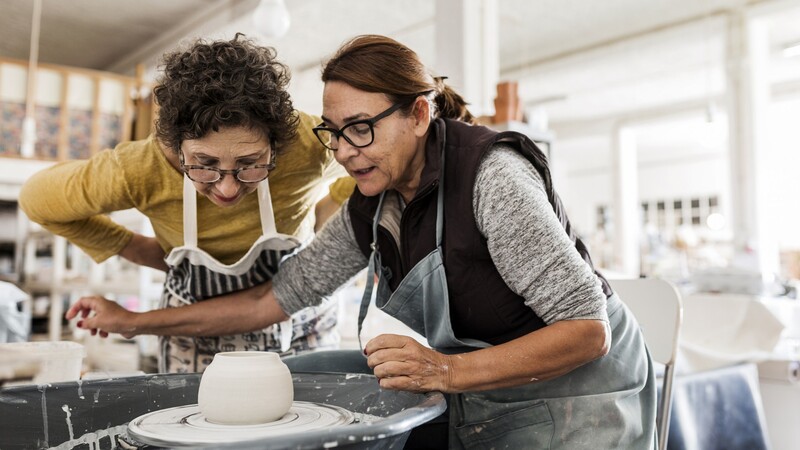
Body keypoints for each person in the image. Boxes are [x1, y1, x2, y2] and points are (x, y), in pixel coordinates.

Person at [65, 35, 657, 449]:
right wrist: (133, 322)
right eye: (333, 132)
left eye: (361, 129)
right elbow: (270, 301)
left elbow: (588, 331)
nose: (344, 150)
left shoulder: (492, 177)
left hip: (575, 395)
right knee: (301, 370)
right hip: (486, 385)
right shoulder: (374, 199)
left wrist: (444, 373)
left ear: (419, 114)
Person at [19, 34, 356, 373]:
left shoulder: (308, 144)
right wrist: (134, 247)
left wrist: (326, 210)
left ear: (277, 143)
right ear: (174, 146)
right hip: (191, 338)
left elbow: (374, 162)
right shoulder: (138, 169)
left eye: (250, 163)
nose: (226, 189)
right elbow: (37, 200)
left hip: (298, 327)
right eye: (203, 164)